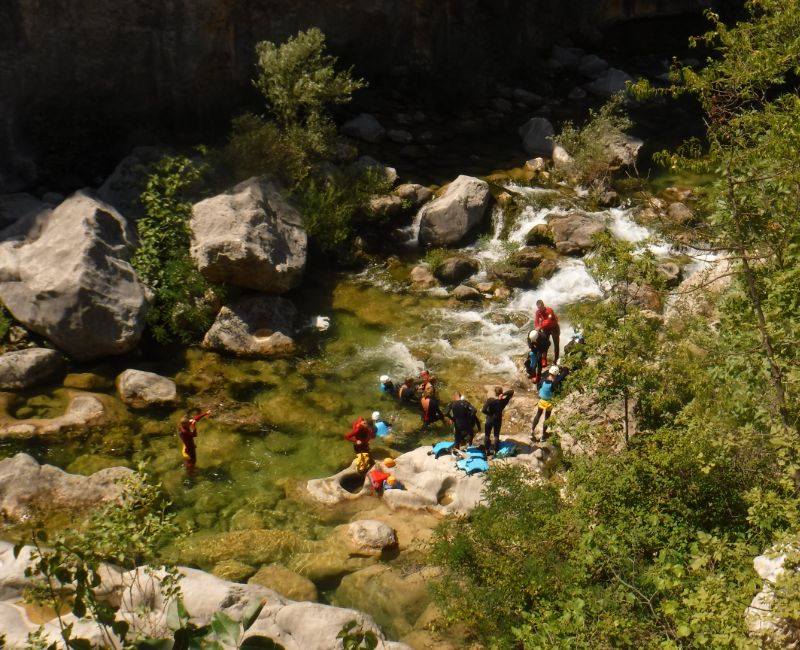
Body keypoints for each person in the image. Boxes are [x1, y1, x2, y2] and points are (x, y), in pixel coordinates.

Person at [482, 387, 514, 454]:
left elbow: (483, 410)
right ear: (501, 393)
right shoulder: (504, 401)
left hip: (490, 418)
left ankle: (486, 450)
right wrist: (503, 394)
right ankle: (495, 451)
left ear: (495, 393)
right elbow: (511, 391)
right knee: (496, 435)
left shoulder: (490, 400)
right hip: (498, 419)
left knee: (487, 434)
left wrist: (489, 414)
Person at [531, 367, 558, 442]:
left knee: (538, 415)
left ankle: (531, 432)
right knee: (547, 418)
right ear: (555, 375)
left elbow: (539, 386)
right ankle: (543, 436)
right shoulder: (554, 383)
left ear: (549, 373)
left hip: (542, 400)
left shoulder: (543, 380)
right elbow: (555, 391)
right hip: (549, 402)